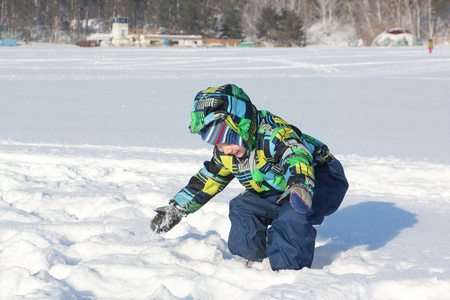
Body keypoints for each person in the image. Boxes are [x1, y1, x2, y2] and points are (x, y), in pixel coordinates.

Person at [150, 84, 349, 271]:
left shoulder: (273, 134)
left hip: (320, 178)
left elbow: (296, 155)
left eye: (226, 140)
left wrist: (299, 184)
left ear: (241, 126)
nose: (224, 149)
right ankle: (249, 262)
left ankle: (288, 272)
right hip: (277, 185)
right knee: (242, 206)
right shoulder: (227, 153)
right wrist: (176, 208)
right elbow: (206, 181)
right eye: (215, 143)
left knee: (291, 215)